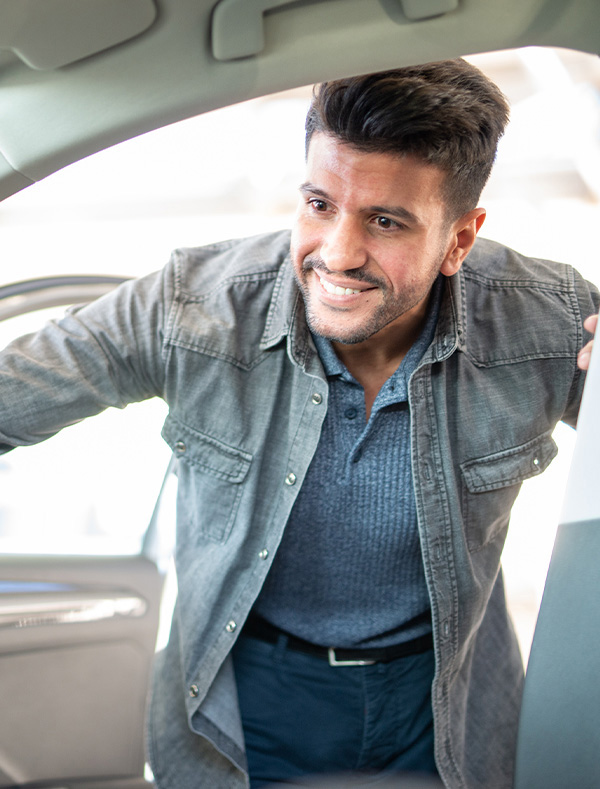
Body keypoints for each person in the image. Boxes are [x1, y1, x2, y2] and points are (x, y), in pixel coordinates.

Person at [0, 59, 598, 789]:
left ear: (459, 239)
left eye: (386, 221)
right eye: (319, 203)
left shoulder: (546, 321)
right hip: (246, 709)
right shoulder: (193, 308)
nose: (337, 253)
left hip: (445, 707)